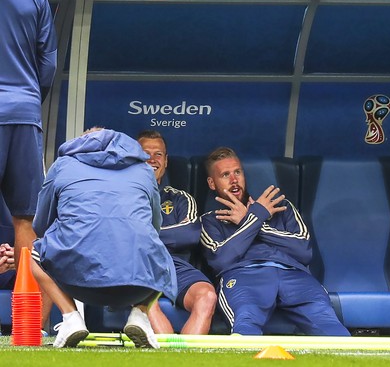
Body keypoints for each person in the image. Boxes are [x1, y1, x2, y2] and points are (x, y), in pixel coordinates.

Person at [31, 128, 177, 348]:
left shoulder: (62, 165)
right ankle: (140, 314)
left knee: (34, 252)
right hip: (136, 287)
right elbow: (155, 228)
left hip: (78, 283)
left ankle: (71, 318)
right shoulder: (144, 170)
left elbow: (41, 225)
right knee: (160, 254)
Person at [200, 147, 350, 336]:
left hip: (294, 275)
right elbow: (221, 261)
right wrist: (257, 218)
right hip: (246, 277)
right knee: (245, 324)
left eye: (237, 172)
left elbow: (304, 252)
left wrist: (252, 219)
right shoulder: (211, 220)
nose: (234, 180)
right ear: (212, 183)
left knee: (331, 327)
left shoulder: (280, 207)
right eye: (225, 175)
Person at [0, 0, 57, 267]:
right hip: (24, 109)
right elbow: (48, 65)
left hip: (22, 106)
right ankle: (28, 315)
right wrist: (30, 100)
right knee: (26, 218)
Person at [137, 130, 216, 334]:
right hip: (137, 263)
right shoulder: (122, 198)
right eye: (146, 154)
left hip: (175, 266)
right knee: (146, 299)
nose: (152, 160)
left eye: (158, 154)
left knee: (207, 296)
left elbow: (189, 235)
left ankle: (184, 360)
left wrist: (143, 236)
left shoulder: (180, 198)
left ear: (166, 161)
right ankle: (170, 359)